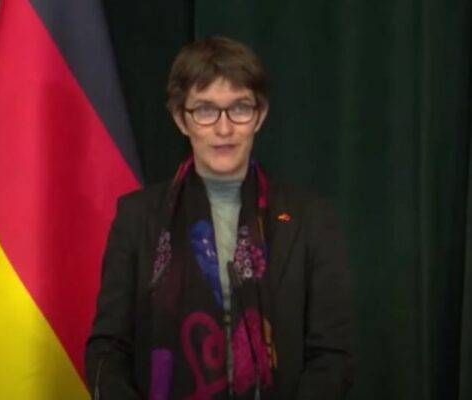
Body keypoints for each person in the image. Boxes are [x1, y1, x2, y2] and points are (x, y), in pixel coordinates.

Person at [85, 36, 353, 400]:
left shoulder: (312, 219)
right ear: (182, 119)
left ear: (260, 115)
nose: (224, 129)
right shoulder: (137, 217)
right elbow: (108, 349)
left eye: (239, 108)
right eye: (205, 110)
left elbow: (332, 356)